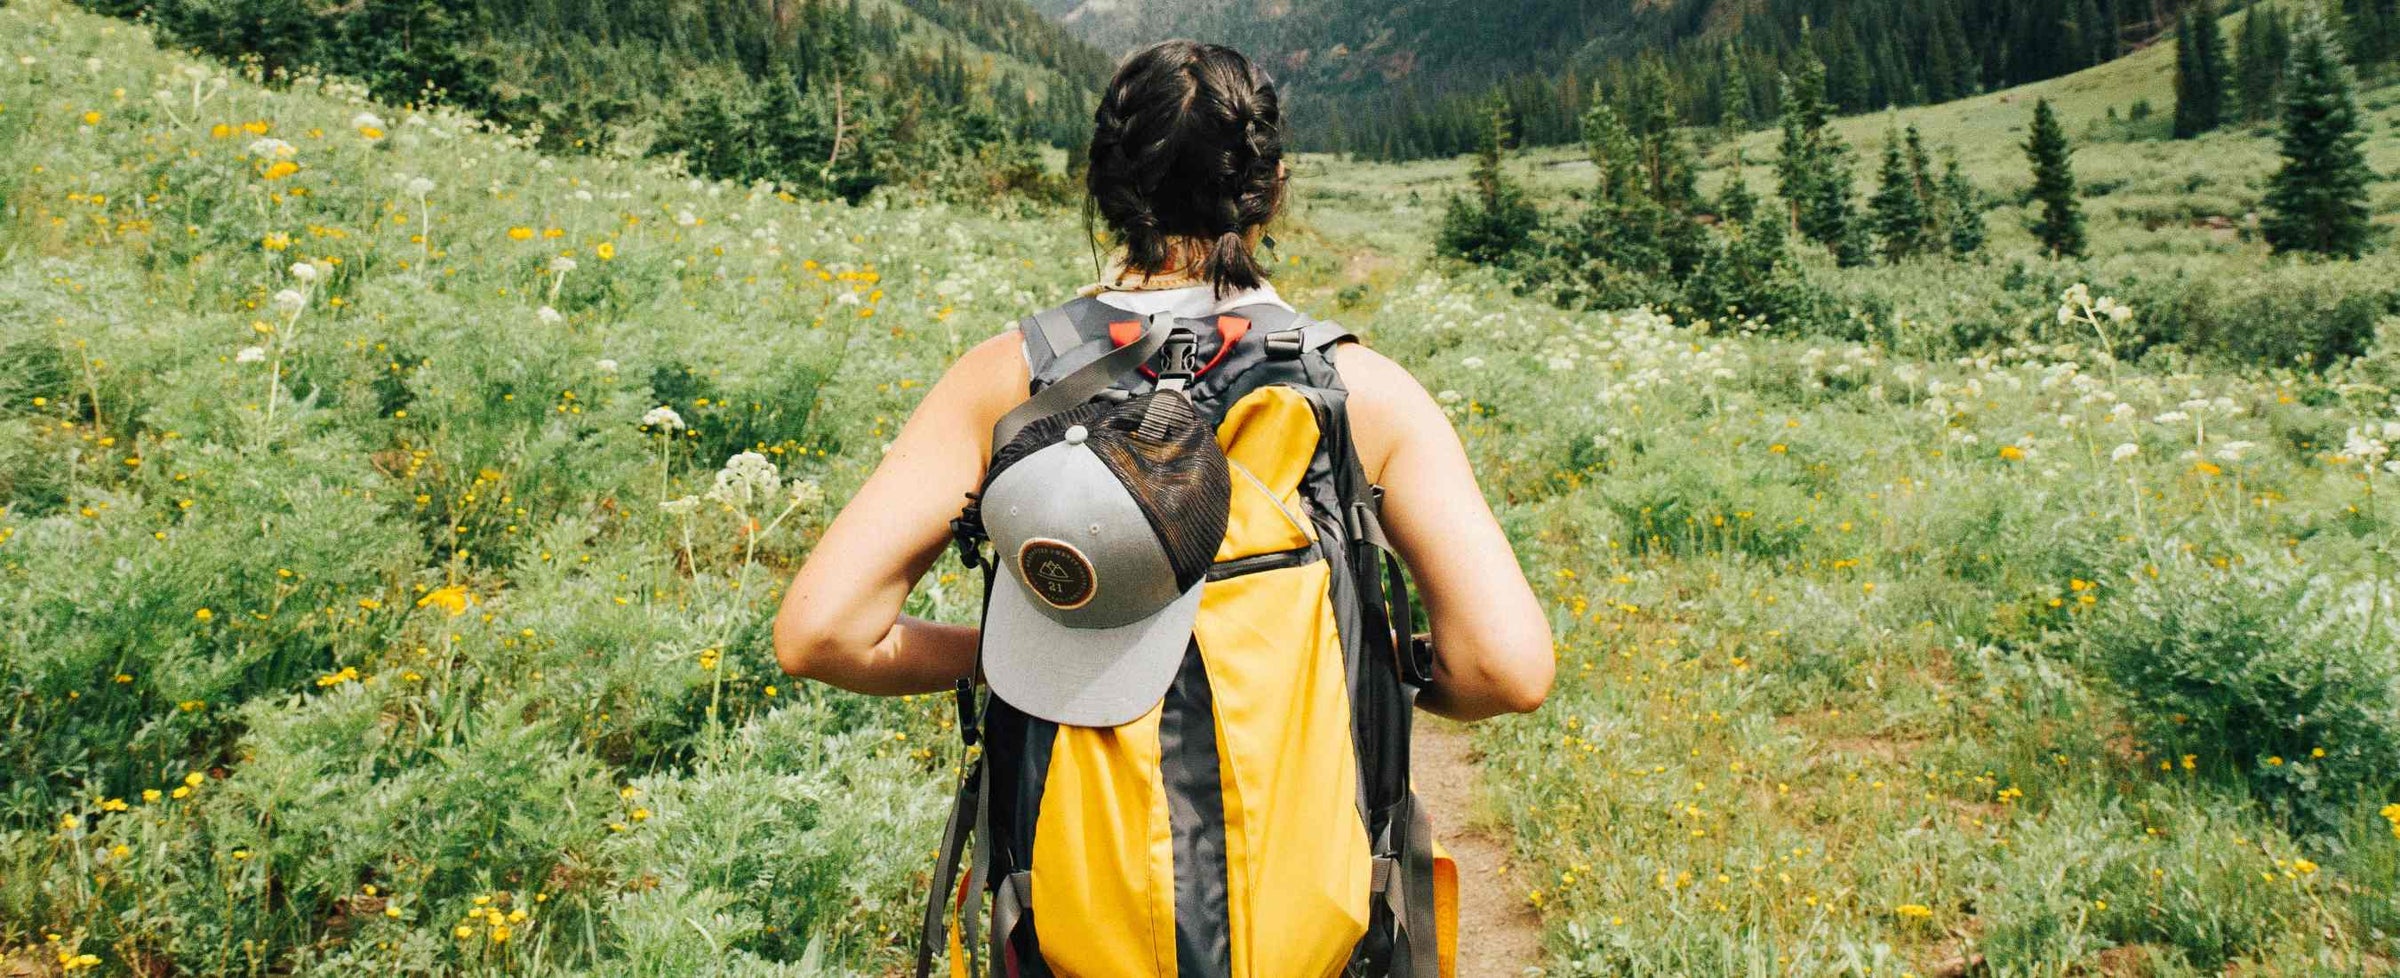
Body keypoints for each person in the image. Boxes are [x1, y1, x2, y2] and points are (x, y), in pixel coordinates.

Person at [773, 39, 1552, 976]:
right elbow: (1508, 671)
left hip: (1078, 934)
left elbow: (822, 632)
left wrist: (1019, 652)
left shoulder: (1009, 382)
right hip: (1317, 937)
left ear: (1105, 187)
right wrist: (1374, 663)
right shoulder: (1361, 392)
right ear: (1269, 188)